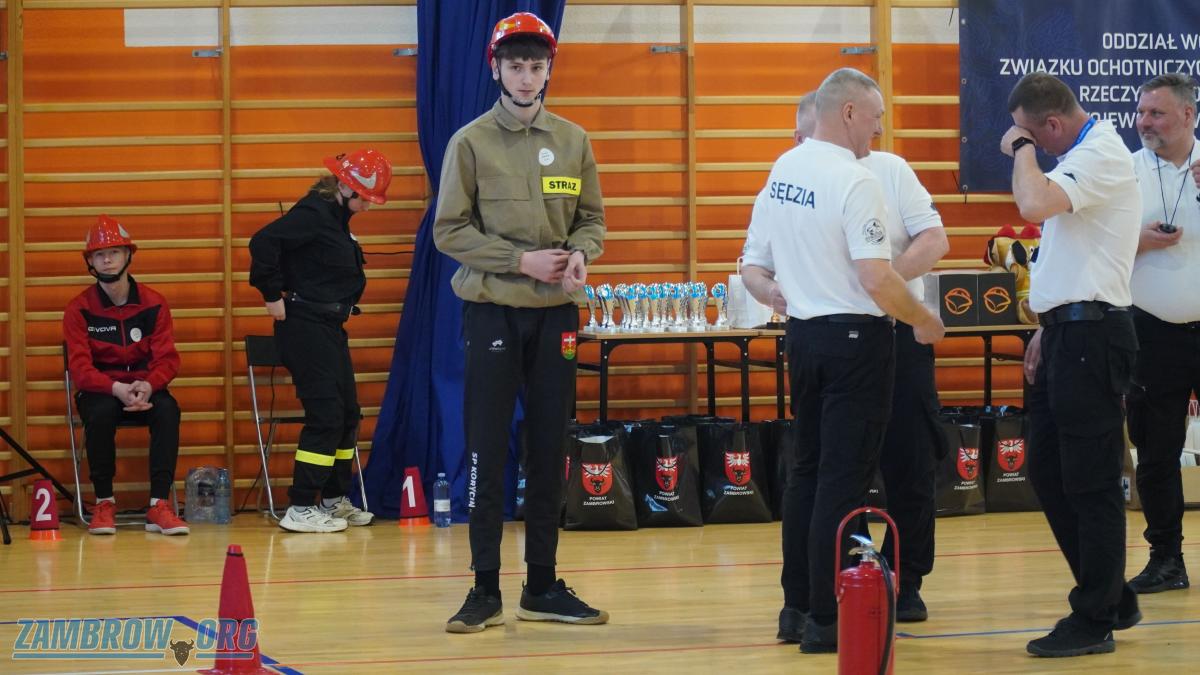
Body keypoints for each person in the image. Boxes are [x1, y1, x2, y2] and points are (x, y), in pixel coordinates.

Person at [741, 68, 945, 654]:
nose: (878, 130)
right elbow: (875, 277)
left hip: (804, 338)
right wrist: (922, 318)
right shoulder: (855, 179)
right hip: (857, 342)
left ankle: (798, 605)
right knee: (843, 480)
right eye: (875, 117)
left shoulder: (786, 168)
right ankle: (827, 619)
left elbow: (762, 263)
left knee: (807, 473)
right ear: (850, 112)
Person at [433, 12, 607, 634]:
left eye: (536, 66)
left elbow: (591, 219)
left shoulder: (573, 140)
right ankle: (484, 587)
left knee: (549, 445)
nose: (526, 77)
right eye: (515, 66)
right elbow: (449, 231)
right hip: (493, 311)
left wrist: (581, 252)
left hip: (556, 314)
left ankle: (542, 585)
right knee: (486, 446)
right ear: (496, 69)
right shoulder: (470, 142)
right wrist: (519, 260)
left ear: (548, 69)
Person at [1001, 72, 1142, 657]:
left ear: (1052, 126)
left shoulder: (1101, 152)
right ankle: (1111, 594)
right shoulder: (1077, 158)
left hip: (1094, 335)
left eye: (1030, 133)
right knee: (1048, 471)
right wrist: (1047, 325)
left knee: (1089, 480)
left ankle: (1094, 617)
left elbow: (1031, 203)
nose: (1022, 142)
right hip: (1066, 334)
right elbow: (1070, 253)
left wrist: (1022, 148)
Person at [248, 148, 390, 533]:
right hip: (304, 326)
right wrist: (271, 294)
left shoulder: (337, 218)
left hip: (329, 327)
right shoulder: (313, 214)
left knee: (347, 414)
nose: (367, 206)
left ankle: (332, 499)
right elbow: (263, 242)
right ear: (345, 187)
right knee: (326, 414)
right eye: (364, 198)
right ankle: (300, 506)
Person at [63, 215, 188, 536]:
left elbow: (168, 360)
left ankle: (158, 504)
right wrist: (116, 388)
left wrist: (149, 385)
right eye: (99, 254)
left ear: (128, 255)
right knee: (100, 413)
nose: (107, 260)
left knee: (168, 410)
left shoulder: (154, 303)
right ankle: (104, 502)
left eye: (114, 252)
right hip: (101, 392)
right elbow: (81, 369)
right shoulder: (78, 309)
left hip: (146, 388)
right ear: (90, 262)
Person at [1126, 72, 1199, 595]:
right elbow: (1093, 244)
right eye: (1141, 112)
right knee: (1155, 452)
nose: (1144, 122)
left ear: (1189, 115)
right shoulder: (1123, 172)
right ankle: (1166, 559)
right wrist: (1137, 240)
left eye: (1156, 113)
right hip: (1150, 331)